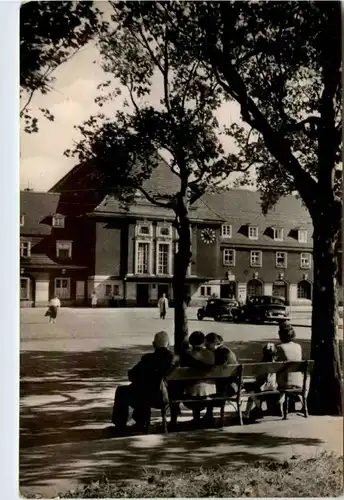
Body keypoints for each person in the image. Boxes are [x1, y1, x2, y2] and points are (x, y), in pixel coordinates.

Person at [112, 331, 175, 432]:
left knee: (122, 391)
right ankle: (142, 420)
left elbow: (132, 375)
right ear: (168, 344)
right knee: (142, 389)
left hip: (149, 397)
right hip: (167, 396)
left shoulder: (147, 358)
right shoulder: (173, 359)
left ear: (154, 344)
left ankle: (121, 424)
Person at [181, 331, 216, 425]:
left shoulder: (186, 355)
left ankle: (196, 418)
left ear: (190, 342)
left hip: (192, 396)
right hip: (211, 393)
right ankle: (209, 414)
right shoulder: (211, 354)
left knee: (193, 385)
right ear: (203, 341)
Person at [203, 333, 239, 423]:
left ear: (215, 343)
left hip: (227, 388)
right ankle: (209, 414)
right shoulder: (228, 351)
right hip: (234, 385)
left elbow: (214, 372)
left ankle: (208, 415)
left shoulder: (221, 353)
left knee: (207, 387)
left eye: (207, 345)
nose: (206, 348)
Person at [244, 343, 278, 422]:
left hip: (263, 388)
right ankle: (247, 413)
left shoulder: (262, 364)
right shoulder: (276, 363)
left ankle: (257, 408)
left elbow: (259, 378)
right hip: (274, 387)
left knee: (248, 388)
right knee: (252, 392)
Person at [276, 322, 303, 413]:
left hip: (284, 382)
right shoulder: (298, 347)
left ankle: (279, 405)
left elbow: (274, 365)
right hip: (298, 381)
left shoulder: (279, 347)